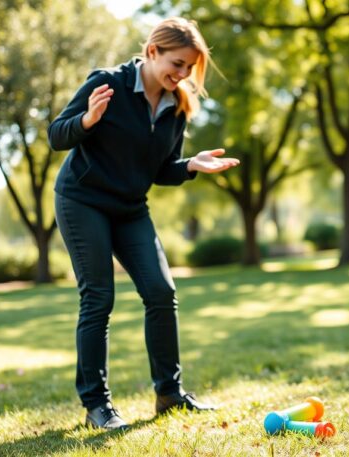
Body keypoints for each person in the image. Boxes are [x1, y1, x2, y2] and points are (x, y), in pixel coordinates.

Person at [48, 17, 239, 431]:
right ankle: (97, 405)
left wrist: (190, 164)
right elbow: (56, 135)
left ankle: (169, 394)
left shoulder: (177, 105)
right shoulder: (109, 84)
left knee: (160, 290)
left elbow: (161, 170)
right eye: (177, 63)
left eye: (189, 67)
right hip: (83, 200)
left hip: (131, 207)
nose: (183, 74)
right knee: (98, 297)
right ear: (152, 52)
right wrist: (86, 121)